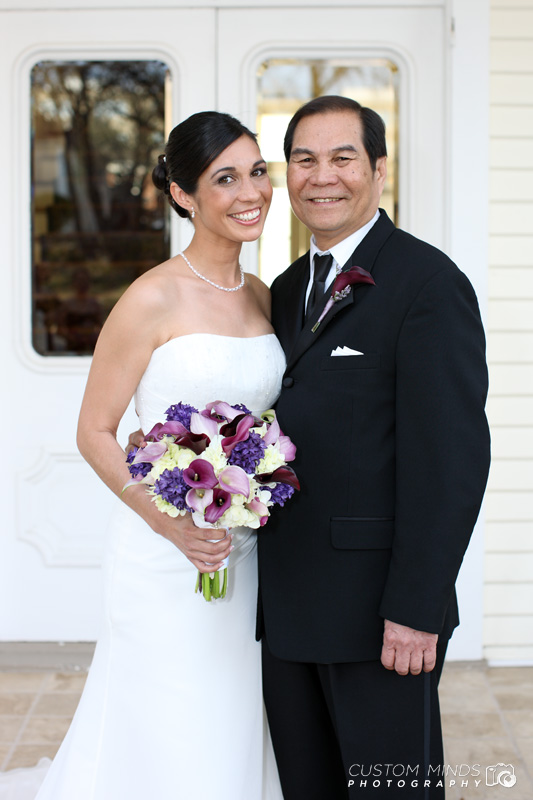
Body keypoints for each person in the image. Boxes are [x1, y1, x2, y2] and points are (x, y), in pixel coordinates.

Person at [14, 111, 284, 800]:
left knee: (227, 706)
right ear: (183, 195)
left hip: (240, 548)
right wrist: (171, 525)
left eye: (257, 171)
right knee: (163, 710)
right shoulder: (150, 296)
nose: (250, 190)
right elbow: (95, 431)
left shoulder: (262, 296)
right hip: (161, 555)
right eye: (225, 178)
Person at [257, 96, 491, 799]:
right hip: (289, 600)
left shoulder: (428, 284)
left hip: (378, 614)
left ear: (378, 170)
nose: (319, 177)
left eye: (341, 157)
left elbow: (450, 461)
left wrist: (416, 606)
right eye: (303, 159)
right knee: (309, 786)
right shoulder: (288, 287)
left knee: (392, 790)